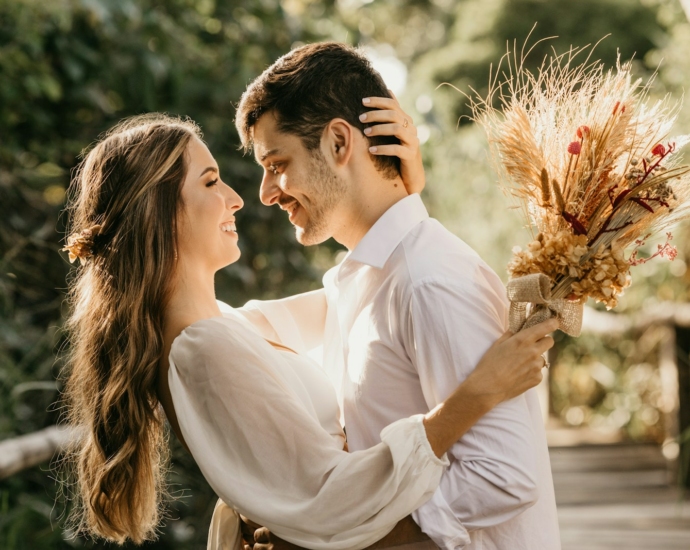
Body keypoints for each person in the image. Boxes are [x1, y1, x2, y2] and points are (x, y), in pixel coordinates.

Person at [61, 112, 557, 549]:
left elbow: (364, 291)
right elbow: (328, 494)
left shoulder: (227, 327)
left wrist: (398, 198)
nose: (237, 198)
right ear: (160, 210)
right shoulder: (203, 348)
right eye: (211, 182)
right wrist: (475, 396)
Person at [233, 42, 561, 550]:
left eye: (277, 163)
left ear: (340, 143)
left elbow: (504, 476)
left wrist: (336, 543)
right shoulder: (362, 277)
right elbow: (238, 328)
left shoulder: (430, 281)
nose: (265, 192)